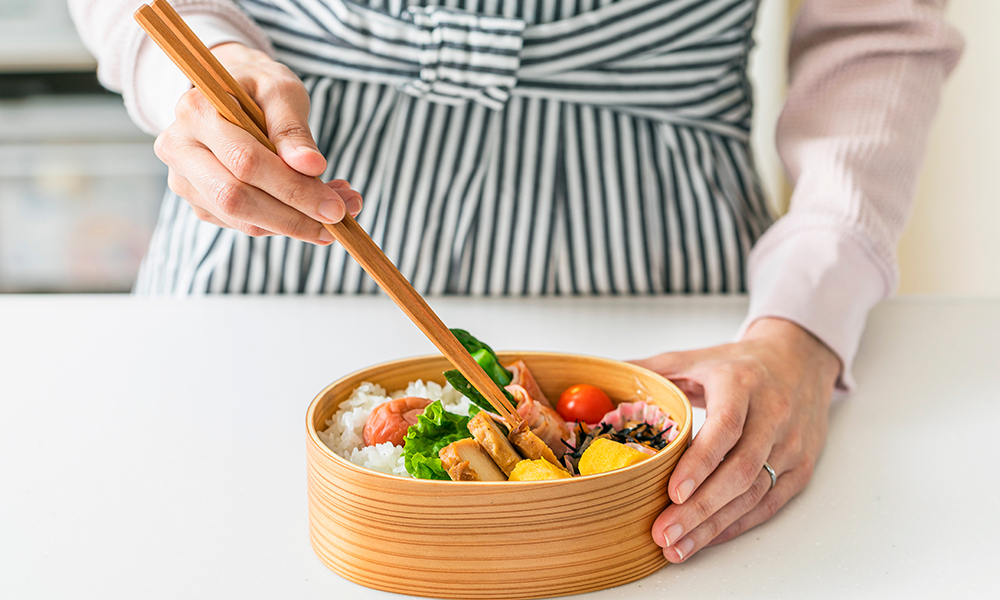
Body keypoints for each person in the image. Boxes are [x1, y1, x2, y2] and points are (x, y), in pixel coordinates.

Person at [70, 0, 961, 563]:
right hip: (277, 222)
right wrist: (200, 75)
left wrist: (805, 323)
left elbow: (880, 27)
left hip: (660, 252)